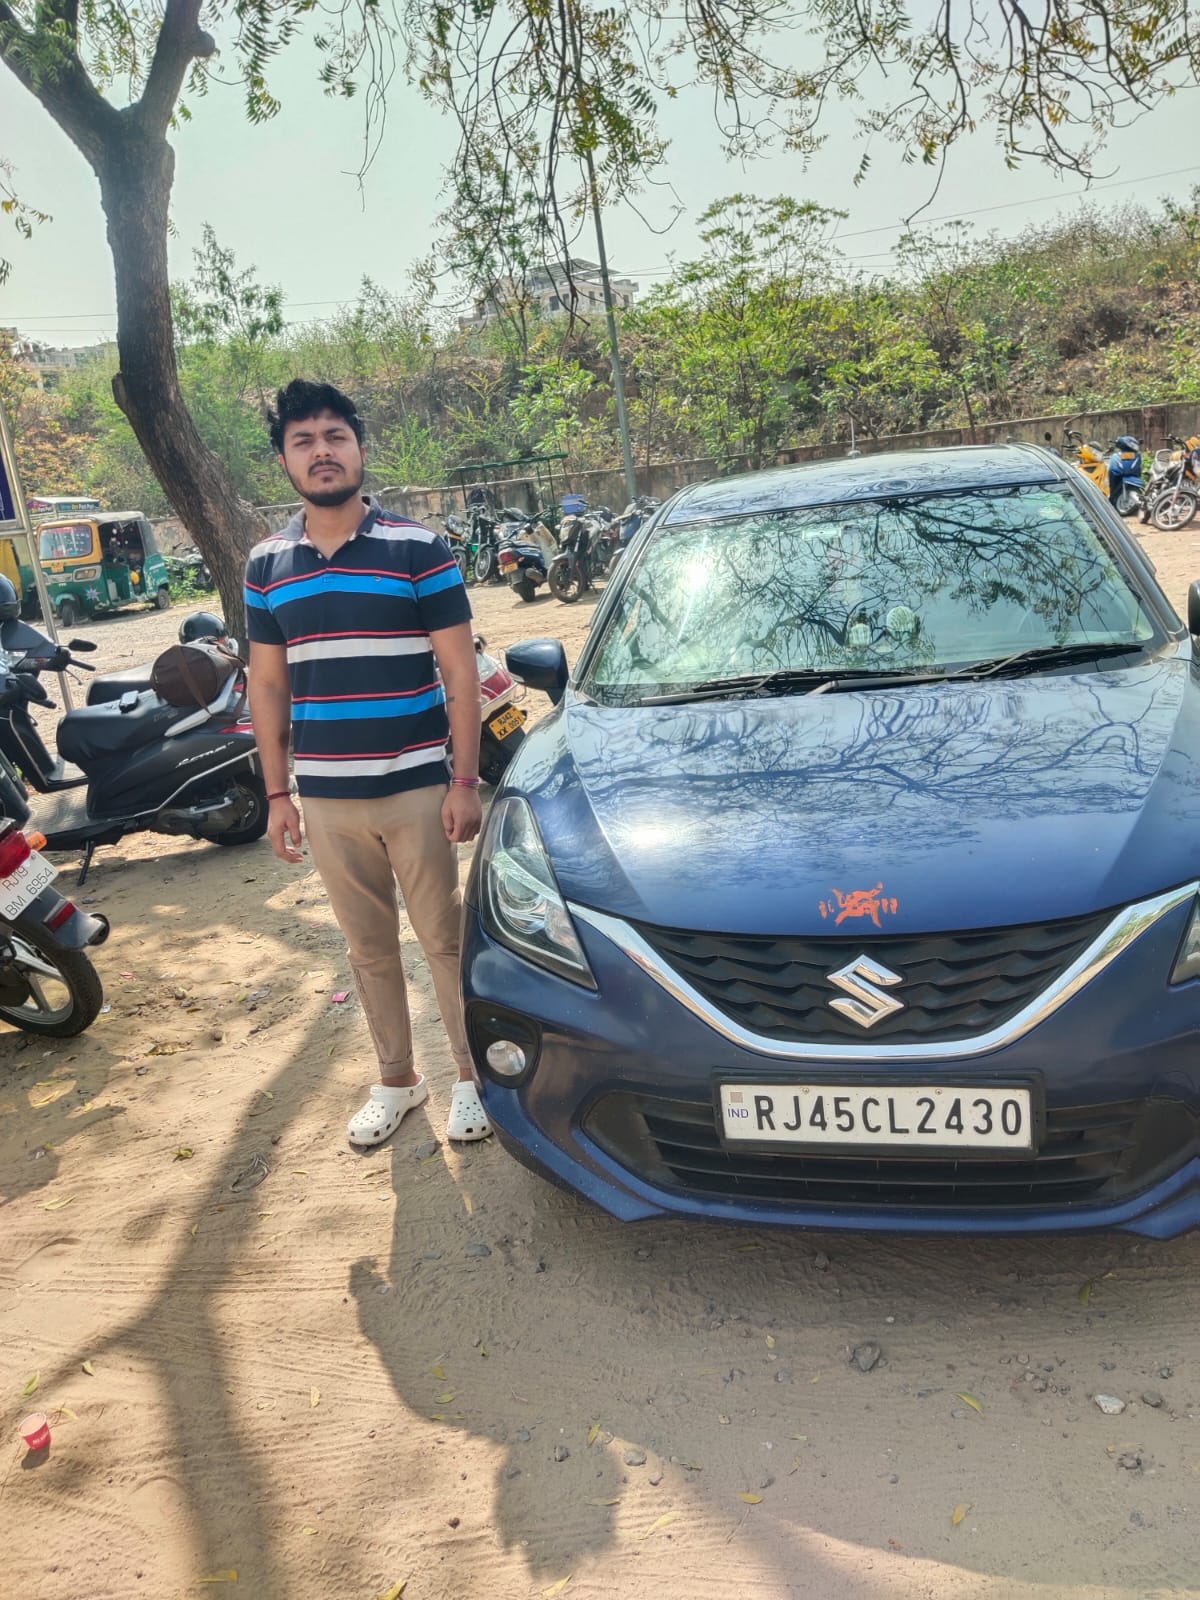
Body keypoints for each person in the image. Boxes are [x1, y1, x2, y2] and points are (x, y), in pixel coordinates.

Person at [244, 379, 491, 1149]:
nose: (322, 452)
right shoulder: (267, 564)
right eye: (304, 441)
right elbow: (268, 685)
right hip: (327, 799)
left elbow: (459, 672)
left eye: (335, 436)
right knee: (368, 949)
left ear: (357, 448)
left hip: (417, 787)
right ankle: (398, 1080)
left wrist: (463, 781)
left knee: (444, 940)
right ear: (285, 461)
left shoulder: (418, 549)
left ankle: (472, 1077)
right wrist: (277, 795)